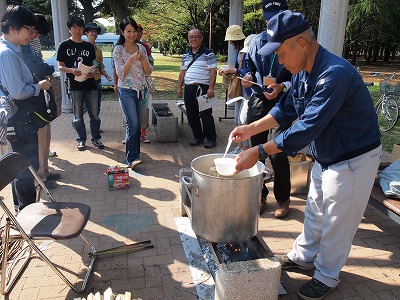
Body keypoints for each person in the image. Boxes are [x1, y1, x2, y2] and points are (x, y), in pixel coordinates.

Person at [231, 10, 381, 300]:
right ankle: (304, 256)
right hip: (328, 154)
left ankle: (327, 275)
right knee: (315, 209)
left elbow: (305, 128)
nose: (280, 61)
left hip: (354, 158)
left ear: (301, 43)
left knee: (338, 219)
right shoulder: (303, 73)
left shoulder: (334, 74)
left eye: (281, 53)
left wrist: (259, 151)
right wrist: (251, 128)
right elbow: (285, 110)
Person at [242, 0, 292, 217]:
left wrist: (283, 85)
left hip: (283, 100)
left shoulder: (292, 41)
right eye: (269, 17)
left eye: (277, 16)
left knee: (279, 151)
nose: (272, 21)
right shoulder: (256, 41)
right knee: (256, 150)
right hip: (259, 99)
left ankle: (283, 198)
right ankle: (259, 195)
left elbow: (298, 74)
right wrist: (248, 77)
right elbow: (249, 66)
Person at [0, 5, 52, 213]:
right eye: (29, 30)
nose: (32, 35)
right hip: (18, 119)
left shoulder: (12, 50)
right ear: (14, 28)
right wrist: (38, 87)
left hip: (18, 117)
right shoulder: (8, 55)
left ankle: (22, 210)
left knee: (21, 165)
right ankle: (27, 214)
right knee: (24, 167)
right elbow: (18, 91)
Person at [21, 13, 60, 189]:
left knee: (45, 132)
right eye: (33, 32)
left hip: (38, 93)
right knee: (39, 136)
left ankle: (45, 170)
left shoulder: (27, 45)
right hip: (30, 99)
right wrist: (50, 67)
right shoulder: (15, 48)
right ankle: (40, 176)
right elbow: (36, 65)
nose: (34, 36)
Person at [56, 16, 104, 151]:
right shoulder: (64, 46)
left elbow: (95, 63)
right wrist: (72, 70)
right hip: (75, 86)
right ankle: (81, 140)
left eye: (80, 27)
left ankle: (96, 138)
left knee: (94, 114)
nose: (78, 30)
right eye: (74, 27)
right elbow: (60, 66)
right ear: (69, 29)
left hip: (91, 85)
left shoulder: (88, 46)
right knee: (77, 115)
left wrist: (93, 71)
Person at [113, 17, 151, 169]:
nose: (132, 34)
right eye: (128, 31)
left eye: (134, 31)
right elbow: (120, 74)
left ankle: (136, 155)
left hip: (141, 91)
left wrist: (142, 60)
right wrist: (130, 59)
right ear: (122, 32)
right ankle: (132, 158)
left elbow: (148, 72)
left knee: (137, 124)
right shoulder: (118, 50)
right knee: (132, 123)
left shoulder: (141, 48)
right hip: (126, 91)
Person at [178, 28, 217, 149]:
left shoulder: (208, 54)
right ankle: (198, 136)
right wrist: (179, 87)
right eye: (191, 37)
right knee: (191, 114)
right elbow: (182, 72)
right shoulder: (185, 55)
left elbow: (213, 72)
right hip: (189, 88)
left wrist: (211, 88)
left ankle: (211, 138)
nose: (193, 39)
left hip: (203, 88)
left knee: (206, 115)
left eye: (196, 37)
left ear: (201, 38)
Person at [218, 25, 254, 154]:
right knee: (237, 120)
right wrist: (229, 69)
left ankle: (245, 148)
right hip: (240, 88)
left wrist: (235, 70)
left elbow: (249, 73)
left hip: (248, 91)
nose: (231, 43)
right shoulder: (239, 51)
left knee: (242, 120)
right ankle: (240, 147)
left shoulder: (248, 51)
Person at [84, 22, 112, 119]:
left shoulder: (99, 50)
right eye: (91, 31)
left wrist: (106, 75)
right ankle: (78, 122)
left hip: (96, 80)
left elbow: (100, 65)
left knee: (96, 106)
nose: (94, 33)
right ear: (86, 33)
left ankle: (95, 125)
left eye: (96, 32)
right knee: (83, 106)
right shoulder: (82, 47)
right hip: (84, 80)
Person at [137, 23, 153, 144]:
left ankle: (143, 133)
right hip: (128, 85)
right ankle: (131, 133)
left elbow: (151, 64)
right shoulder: (122, 46)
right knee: (129, 110)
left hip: (144, 84)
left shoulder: (145, 47)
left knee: (144, 108)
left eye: (139, 31)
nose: (137, 34)